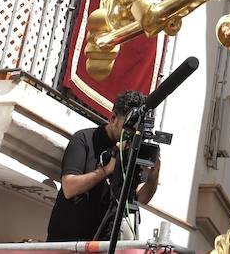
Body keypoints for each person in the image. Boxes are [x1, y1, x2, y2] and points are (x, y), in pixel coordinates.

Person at [45, 89, 161, 242]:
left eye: (136, 130)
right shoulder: (84, 138)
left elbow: (141, 198)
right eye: (128, 127)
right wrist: (106, 170)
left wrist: (153, 176)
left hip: (102, 243)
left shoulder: (133, 150)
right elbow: (69, 188)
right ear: (113, 118)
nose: (132, 134)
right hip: (66, 239)